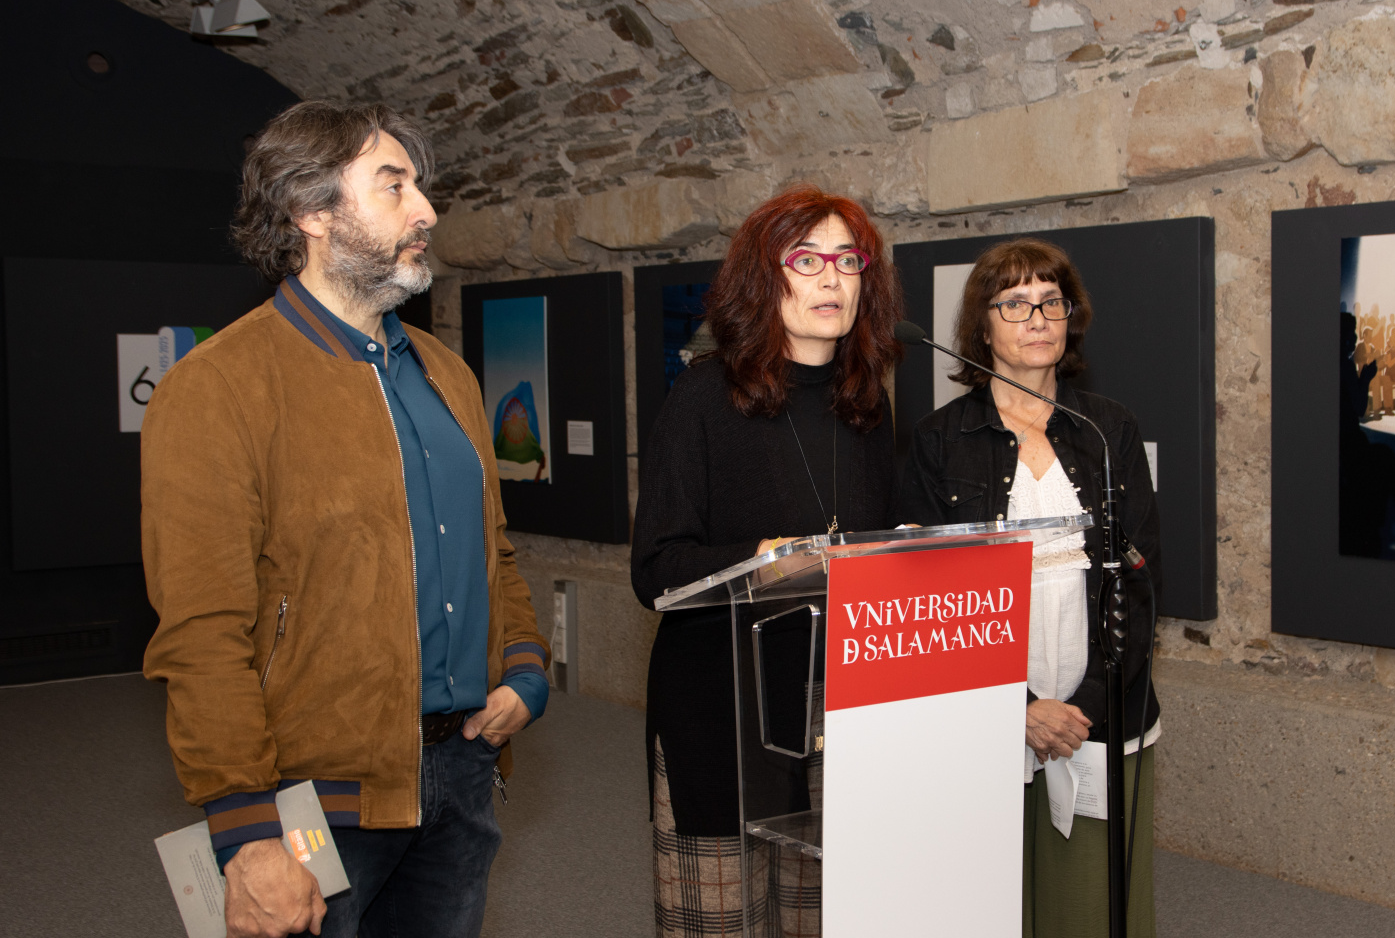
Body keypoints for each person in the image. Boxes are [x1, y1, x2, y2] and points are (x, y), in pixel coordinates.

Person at [141, 101, 549, 938]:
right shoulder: (219, 386)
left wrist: (525, 668)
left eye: (419, 186)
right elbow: (201, 631)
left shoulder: (446, 374)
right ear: (313, 213)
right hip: (312, 801)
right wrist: (246, 829)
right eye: (393, 186)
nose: (425, 209)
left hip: (462, 772)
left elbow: (491, 553)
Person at [630, 184, 903, 937]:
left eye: (848, 260)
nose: (831, 277)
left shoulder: (868, 405)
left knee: (821, 921)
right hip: (720, 711)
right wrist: (762, 559)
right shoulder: (703, 398)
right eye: (806, 258)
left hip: (832, 711)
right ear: (763, 277)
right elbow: (655, 568)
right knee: (719, 923)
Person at [895, 238, 1162, 938]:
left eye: (1051, 301)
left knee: (1091, 907)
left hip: (1101, 713)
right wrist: (1017, 708)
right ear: (982, 327)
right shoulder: (937, 442)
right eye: (1014, 302)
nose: (1036, 316)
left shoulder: (1110, 430)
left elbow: (1139, 580)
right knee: (986, 903)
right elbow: (933, 602)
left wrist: (1083, 708)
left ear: (1070, 319)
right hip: (984, 710)